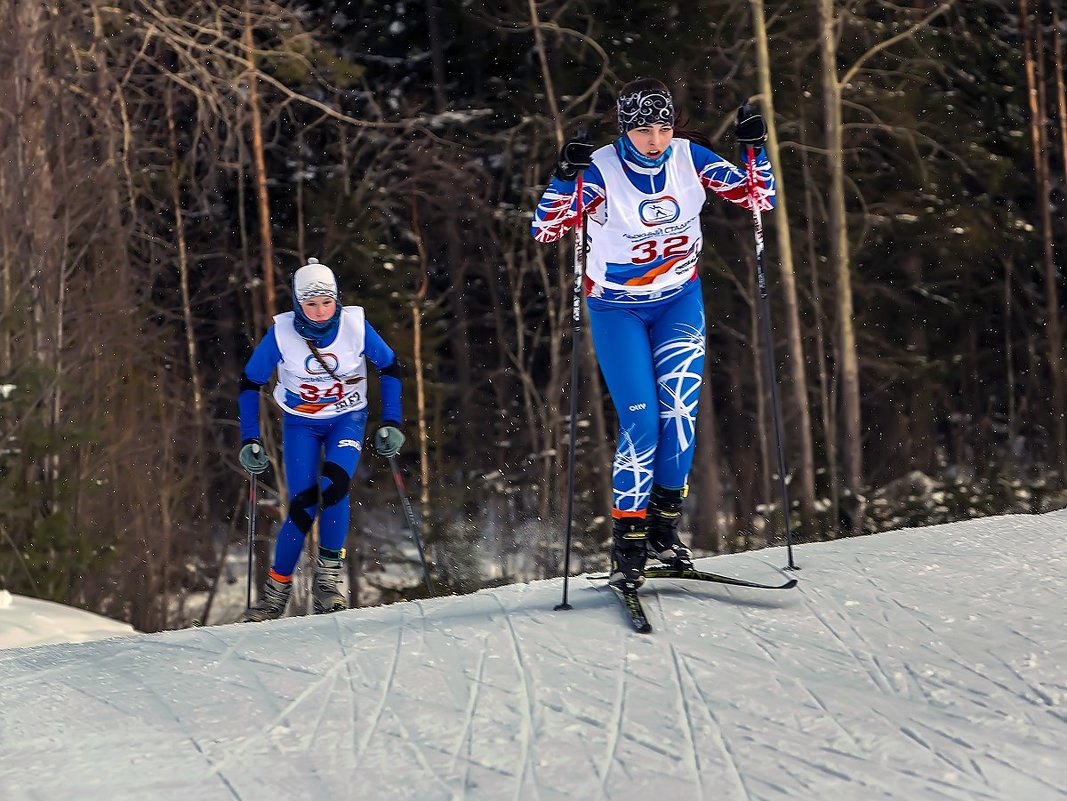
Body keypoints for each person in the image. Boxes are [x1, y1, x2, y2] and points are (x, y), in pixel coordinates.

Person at [531, 78, 775, 591]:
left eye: (663, 127)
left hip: (678, 301)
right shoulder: (600, 169)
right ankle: (628, 541)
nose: (655, 140)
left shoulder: (691, 158)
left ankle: (664, 532)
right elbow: (547, 229)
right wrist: (562, 177)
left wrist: (757, 149)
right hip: (617, 310)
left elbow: (759, 200)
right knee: (642, 423)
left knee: (681, 415)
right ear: (625, 128)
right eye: (643, 129)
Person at [237, 258, 405, 621]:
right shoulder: (282, 334)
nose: (319, 311)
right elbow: (250, 383)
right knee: (302, 505)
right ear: (298, 303)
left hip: (347, 418)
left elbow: (390, 366)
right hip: (301, 424)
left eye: (326, 302)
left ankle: (328, 584)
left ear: (337, 300)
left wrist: (392, 420)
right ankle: (275, 595)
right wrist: (249, 439)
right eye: (310, 304)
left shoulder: (354, 326)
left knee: (335, 488)